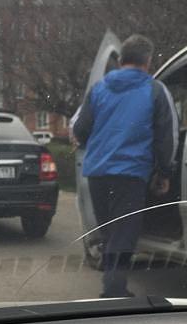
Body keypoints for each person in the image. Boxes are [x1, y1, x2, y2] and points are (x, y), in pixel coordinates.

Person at [72, 34, 178, 298]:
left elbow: (80, 130)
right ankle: (114, 292)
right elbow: (167, 136)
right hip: (130, 175)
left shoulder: (99, 89)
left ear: (120, 60)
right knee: (124, 235)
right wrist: (165, 172)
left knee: (110, 233)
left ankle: (113, 287)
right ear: (148, 61)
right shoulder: (154, 90)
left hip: (97, 174)